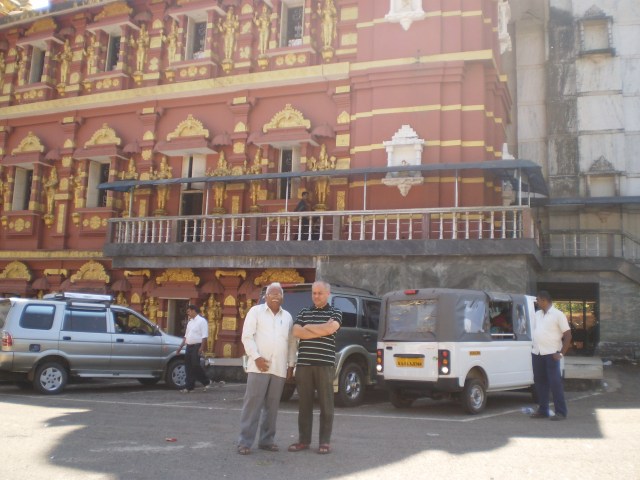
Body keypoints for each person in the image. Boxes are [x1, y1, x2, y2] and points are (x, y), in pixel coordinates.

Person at [237, 282, 297, 455]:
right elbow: (247, 337)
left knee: (272, 407)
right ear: (266, 296)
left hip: (279, 368)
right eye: (272, 294)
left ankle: (266, 440)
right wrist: (256, 358)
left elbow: (291, 343)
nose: (276, 297)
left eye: (279, 294)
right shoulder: (255, 312)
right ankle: (244, 442)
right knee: (252, 405)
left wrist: (291, 365)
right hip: (259, 367)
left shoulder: (287, 317)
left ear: (283, 297)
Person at [288, 281, 341, 455]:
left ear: (327, 294)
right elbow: (296, 332)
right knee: (304, 405)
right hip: (304, 365)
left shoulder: (335, 312)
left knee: (326, 405)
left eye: (320, 293)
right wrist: (321, 329)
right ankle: (303, 441)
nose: (316, 296)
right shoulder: (304, 312)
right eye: (314, 293)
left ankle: (324, 442)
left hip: (324, 365)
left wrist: (309, 327)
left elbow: (331, 329)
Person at [530, 291, 572, 420]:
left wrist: (561, 353)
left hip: (552, 353)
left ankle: (561, 412)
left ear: (544, 300)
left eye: (538, 300)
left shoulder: (558, 314)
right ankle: (543, 410)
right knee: (539, 382)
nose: (537, 302)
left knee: (555, 383)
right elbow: (536, 331)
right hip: (537, 352)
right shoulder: (537, 314)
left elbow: (568, 335)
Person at [176, 304, 212, 393]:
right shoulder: (190, 322)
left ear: (193, 311)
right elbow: (186, 336)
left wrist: (202, 347)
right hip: (189, 345)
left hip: (197, 345)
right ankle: (189, 386)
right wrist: (180, 347)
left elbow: (204, 336)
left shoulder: (202, 321)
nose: (188, 313)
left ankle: (206, 380)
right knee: (188, 366)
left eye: (188, 311)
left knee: (195, 364)